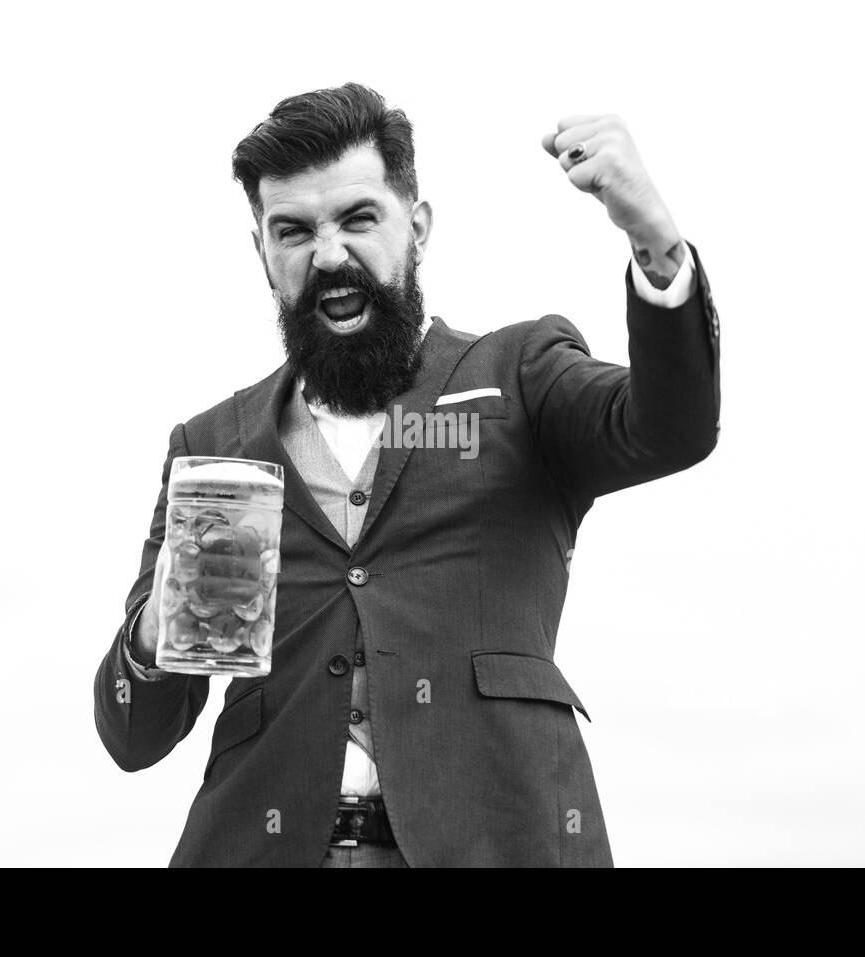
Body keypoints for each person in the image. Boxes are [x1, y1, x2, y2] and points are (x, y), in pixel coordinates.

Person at [93, 82, 721, 867]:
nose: (328, 255)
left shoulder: (517, 374)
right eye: (292, 231)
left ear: (417, 228)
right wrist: (157, 633)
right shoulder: (216, 442)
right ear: (261, 253)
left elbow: (671, 429)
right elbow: (132, 734)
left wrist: (653, 237)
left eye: (358, 219)